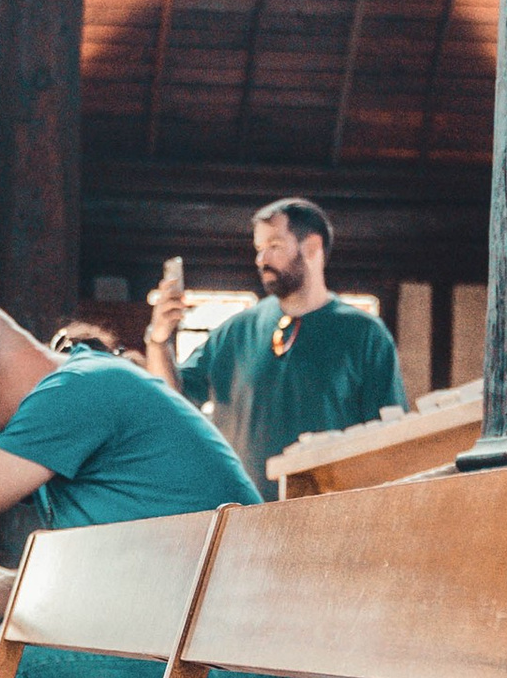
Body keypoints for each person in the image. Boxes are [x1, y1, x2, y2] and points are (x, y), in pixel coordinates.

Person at [0, 295, 300, 678]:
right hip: (201, 663)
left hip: (238, 676)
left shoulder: (79, 390)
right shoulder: (58, 401)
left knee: (9, 677)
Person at [143, 198, 406, 495]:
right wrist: (159, 340)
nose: (261, 259)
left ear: (312, 247)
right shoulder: (236, 330)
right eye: (259, 249)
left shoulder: (365, 334)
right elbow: (170, 401)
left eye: (275, 246)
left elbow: (390, 440)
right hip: (241, 512)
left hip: (329, 516)